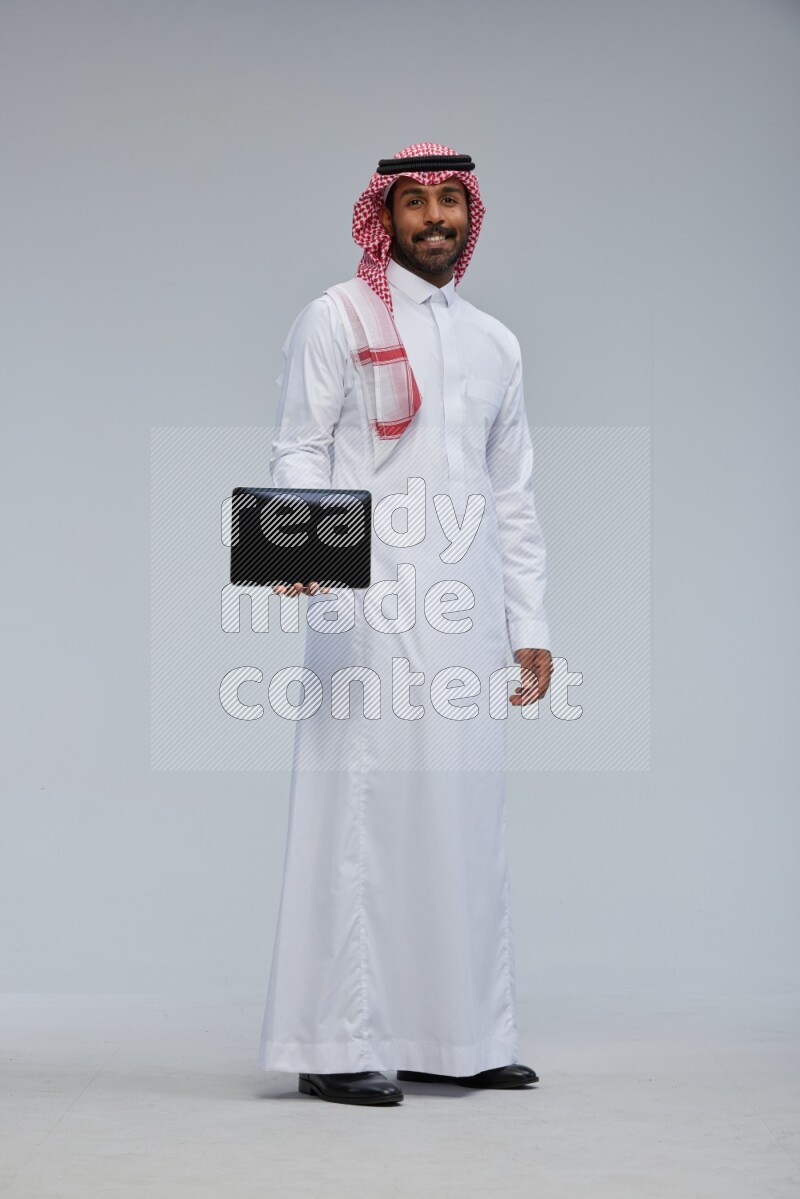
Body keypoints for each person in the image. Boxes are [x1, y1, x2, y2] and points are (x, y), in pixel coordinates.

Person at [258, 142, 552, 1106]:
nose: (434, 217)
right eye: (414, 202)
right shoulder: (336, 316)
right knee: (361, 819)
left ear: (471, 216)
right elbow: (299, 446)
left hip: (464, 616)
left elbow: (512, 497)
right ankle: (336, 1042)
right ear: (381, 218)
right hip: (366, 607)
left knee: (461, 818)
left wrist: (530, 625)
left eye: (450, 202)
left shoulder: (496, 342)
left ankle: (456, 1035)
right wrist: (299, 554)